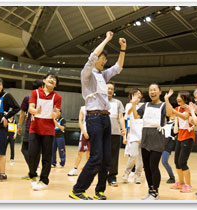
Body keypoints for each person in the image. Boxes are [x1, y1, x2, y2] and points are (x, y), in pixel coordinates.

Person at [69, 31, 126, 200]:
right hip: (93, 117)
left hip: (105, 118)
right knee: (96, 156)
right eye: (103, 58)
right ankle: (77, 190)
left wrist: (123, 49)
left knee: (106, 159)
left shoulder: (103, 75)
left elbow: (118, 68)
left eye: (105, 59)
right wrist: (107, 39)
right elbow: (92, 57)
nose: (104, 61)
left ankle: (99, 190)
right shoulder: (86, 74)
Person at [130, 83, 169, 200]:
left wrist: (167, 100)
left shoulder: (163, 105)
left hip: (157, 138)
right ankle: (150, 190)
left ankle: (155, 191)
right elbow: (136, 117)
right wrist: (133, 104)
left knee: (153, 166)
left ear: (160, 92)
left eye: (154, 90)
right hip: (146, 138)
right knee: (146, 167)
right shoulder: (145, 105)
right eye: (150, 90)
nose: (152, 92)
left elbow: (170, 114)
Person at [28, 73, 62, 191]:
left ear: (56, 85)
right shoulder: (35, 93)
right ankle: (32, 176)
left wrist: (55, 114)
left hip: (48, 130)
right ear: (44, 80)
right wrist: (35, 111)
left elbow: (57, 112)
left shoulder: (57, 97)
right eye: (50, 77)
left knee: (47, 157)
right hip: (35, 128)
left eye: (55, 79)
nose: (52, 79)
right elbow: (30, 108)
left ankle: (44, 180)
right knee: (32, 154)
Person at [165, 90, 195, 193]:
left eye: (180, 96)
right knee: (177, 162)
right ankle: (181, 183)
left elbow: (185, 116)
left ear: (185, 99)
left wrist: (174, 111)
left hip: (188, 137)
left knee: (183, 162)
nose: (178, 98)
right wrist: (166, 99)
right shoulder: (177, 108)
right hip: (180, 137)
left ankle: (189, 185)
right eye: (177, 96)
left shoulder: (188, 109)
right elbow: (169, 112)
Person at [18, 79, 42, 180]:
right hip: (36, 127)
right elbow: (23, 112)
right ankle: (33, 171)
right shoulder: (30, 98)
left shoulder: (28, 98)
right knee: (34, 151)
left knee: (26, 149)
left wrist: (19, 125)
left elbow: (22, 113)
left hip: (33, 127)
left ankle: (32, 171)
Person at [122, 89, 144, 184]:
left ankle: (138, 175)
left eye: (139, 94)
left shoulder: (143, 105)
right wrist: (133, 104)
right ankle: (126, 173)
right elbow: (127, 115)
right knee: (133, 155)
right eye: (136, 93)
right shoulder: (128, 105)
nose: (138, 95)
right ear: (131, 95)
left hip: (143, 135)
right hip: (134, 135)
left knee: (142, 158)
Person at [106, 82, 126, 187]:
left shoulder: (118, 102)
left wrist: (123, 129)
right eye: (108, 88)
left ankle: (112, 177)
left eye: (112, 89)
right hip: (102, 133)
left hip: (115, 133)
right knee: (102, 155)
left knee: (114, 156)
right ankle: (102, 175)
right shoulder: (99, 101)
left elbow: (121, 117)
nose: (110, 90)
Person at [67, 106, 90, 176]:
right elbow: (80, 121)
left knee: (89, 153)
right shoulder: (83, 108)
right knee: (80, 152)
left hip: (93, 133)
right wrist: (84, 131)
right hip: (84, 133)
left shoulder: (96, 107)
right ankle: (75, 169)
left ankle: (88, 169)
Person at [161, 114, 178, 184]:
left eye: (175, 114)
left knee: (164, 161)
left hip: (169, 142)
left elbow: (175, 132)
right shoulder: (165, 124)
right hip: (161, 142)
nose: (173, 115)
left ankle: (172, 177)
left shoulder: (176, 124)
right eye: (172, 113)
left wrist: (176, 120)